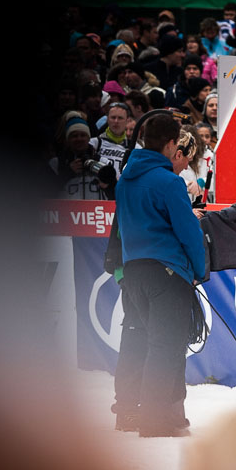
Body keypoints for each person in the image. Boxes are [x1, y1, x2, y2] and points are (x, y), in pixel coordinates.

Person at [114, 115, 206, 437]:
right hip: (166, 273)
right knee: (165, 347)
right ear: (170, 144)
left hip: (133, 273)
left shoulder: (125, 179)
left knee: (145, 343)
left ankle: (134, 412)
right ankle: (155, 422)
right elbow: (189, 232)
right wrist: (199, 270)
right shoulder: (169, 182)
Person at [50, 111, 116, 199]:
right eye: (74, 136)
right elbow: (46, 191)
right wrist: (68, 172)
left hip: (96, 211)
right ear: (67, 139)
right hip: (66, 211)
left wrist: (107, 185)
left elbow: (116, 196)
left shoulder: (104, 162)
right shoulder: (56, 164)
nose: (79, 139)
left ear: (89, 138)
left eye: (83, 135)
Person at [90, 102, 131, 182]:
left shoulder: (135, 147)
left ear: (127, 120)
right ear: (107, 119)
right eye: (113, 117)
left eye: (120, 118)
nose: (116, 121)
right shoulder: (94, 143)